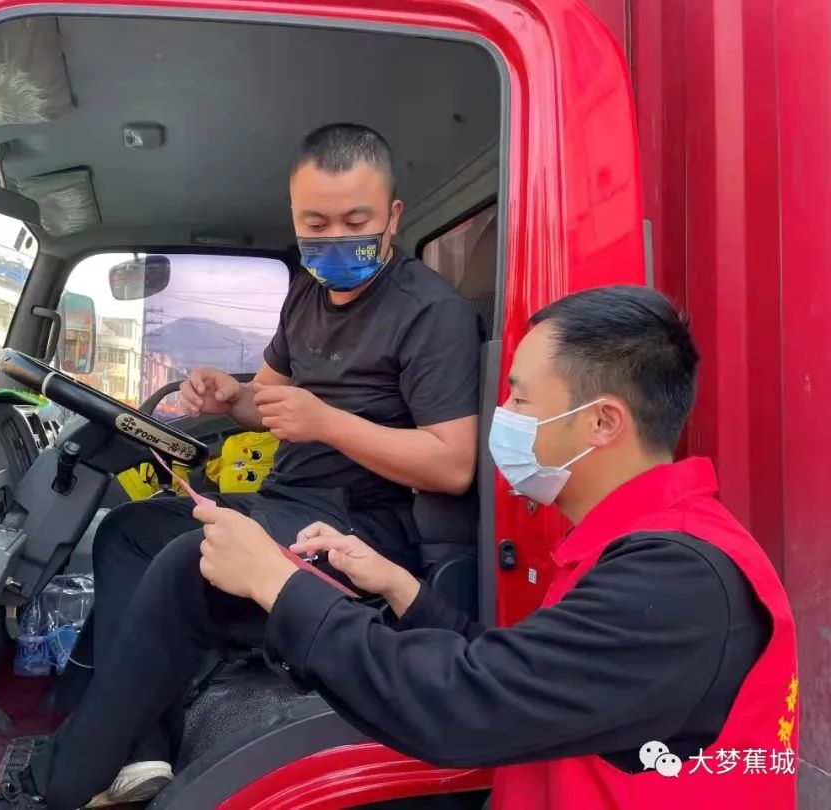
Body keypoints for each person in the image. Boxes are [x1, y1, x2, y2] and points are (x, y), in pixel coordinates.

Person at [0, 123, 483, 809]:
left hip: (359, 532)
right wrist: (229, 395)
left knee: (186, 561)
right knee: (130, 532)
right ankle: (143, 749)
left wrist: (327, 423)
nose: (336, 241)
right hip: (287, 501)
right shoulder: (307, 294)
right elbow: (267, 402)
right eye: (317, 225)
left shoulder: (431, 313)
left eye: (356, 223)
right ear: (296, 217)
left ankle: (57, 787)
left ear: (393, 216)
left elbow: (453, 464)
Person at [193, 286, 799, 809]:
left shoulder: (676, 578)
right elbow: (520, 676)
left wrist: (277, 583)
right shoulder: (639, 547)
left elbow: (465, 705)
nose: (501, 416)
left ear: (603, 423)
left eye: (520, 400)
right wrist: (402, 589)